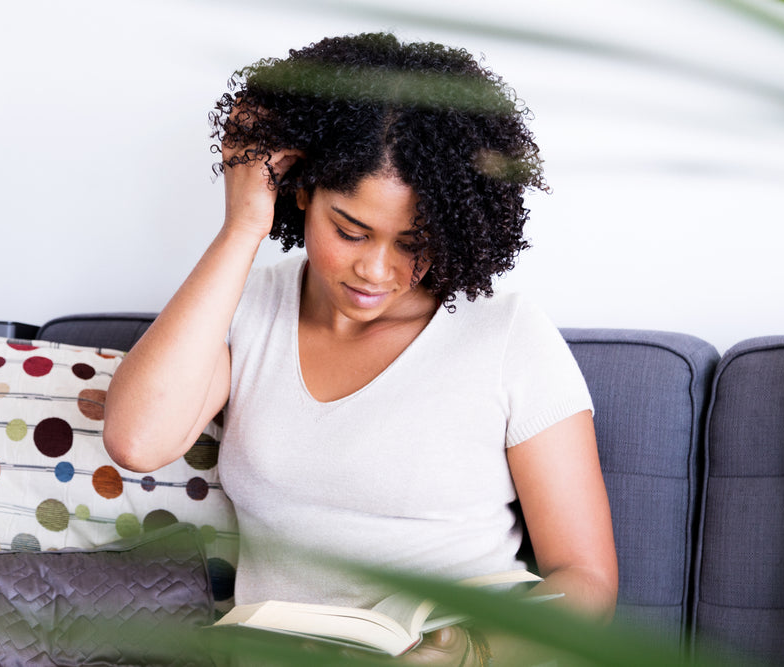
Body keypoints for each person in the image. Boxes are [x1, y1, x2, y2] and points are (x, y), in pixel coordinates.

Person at [104, 32, 617, 664]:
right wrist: (243, 224)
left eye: (413, 242)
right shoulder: (247, 308)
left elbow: (585, 579)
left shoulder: (505, 333)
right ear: (301, 193)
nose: (376, 270)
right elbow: (136, 439)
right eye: (350, 231)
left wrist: (470, 652)